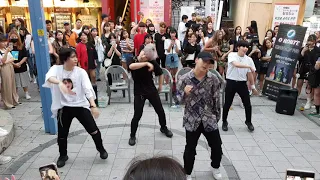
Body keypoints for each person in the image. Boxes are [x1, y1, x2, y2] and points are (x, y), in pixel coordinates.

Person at [43, 48, 108, 168]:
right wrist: (59, 83)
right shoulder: (56, 69)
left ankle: (101, 149)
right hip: (64, 107)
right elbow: (48, 78)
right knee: (62, 134)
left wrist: (93, 105)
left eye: (76, 57)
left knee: (93, 130)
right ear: (65, 59)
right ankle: (63, 155)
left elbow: (88, 89)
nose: (76, 59)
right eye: (73, 57)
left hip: (80, 105)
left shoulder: (80, 72)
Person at [177, 51, 223, 180]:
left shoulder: (213, 79)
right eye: (204, 61)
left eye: (210, 63)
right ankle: (188, 172)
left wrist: (216, 117)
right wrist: (184, 93)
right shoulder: (184, 79)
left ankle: (215, 167)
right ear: (197, 60)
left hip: (209, 118)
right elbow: (176, 100)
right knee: (190, 149)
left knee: (216, 146)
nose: (206, 65)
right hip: (192, 119)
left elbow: (216, 100)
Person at [128, 44, 173, 146]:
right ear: (140, 52)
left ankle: (163, 127)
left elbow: (160, 73)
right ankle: (132, 135)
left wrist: (160, 86)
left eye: (147, 56)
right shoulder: (133, 59)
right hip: (139, 91)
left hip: (151, 90)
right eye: (144, 54)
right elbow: (131, 67)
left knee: (160, 110)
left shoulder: (152, 61)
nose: (145, 56)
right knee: (137, 114)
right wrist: (145, 64)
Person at [222, 40, 256, 132]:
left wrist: (253, 87)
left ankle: (248, 122)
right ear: (238, 47)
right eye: (243, 47)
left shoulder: (249, 59)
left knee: (247, 104)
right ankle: (224, 122)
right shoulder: (232, 55)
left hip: (242, 83)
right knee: (227, 103)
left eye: (247, 47)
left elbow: (250, 74)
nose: (245, 49)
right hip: (231, 82)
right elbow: (236, 64)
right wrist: (248, 67)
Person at [9, 31, 31, 100]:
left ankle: (26, 93)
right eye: (12, 37)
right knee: (15, 81)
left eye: (15, 37)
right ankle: (16, 95)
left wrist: (20, 63)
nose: (14, 38)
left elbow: (25, 56)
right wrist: (14, 64)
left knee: (24, 80)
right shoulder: (9, 47)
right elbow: (9, 57)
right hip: (13, 66)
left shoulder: (21, 46)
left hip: (22, 65)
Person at [0, 34, 19, 109]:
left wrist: (7, 60)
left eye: (5, 41)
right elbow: (3, 61)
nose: (5, 43)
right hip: (4, 68)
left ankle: (14, 100)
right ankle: (8, 103)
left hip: (10, 67)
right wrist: (7, 53)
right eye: (2, 42)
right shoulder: (4, 51)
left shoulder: (6, 49)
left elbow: (13, 58)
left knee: (12, 84)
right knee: (6, 85)